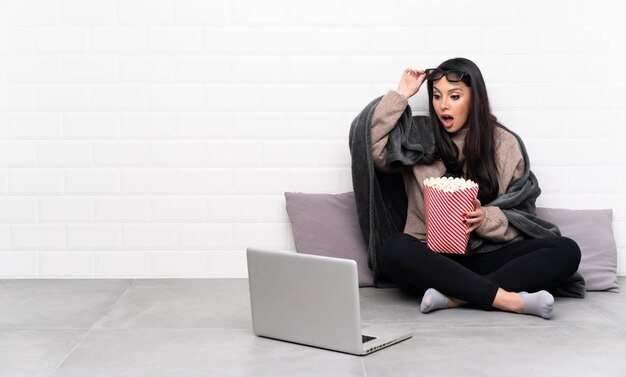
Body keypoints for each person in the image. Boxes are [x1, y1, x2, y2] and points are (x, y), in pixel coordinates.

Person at [369, 57, 581, 319]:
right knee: (394, 249)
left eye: (454, 96)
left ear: (474, 98)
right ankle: (508, 299)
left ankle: (454, 297)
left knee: (566, 250)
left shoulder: (504, 144)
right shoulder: (418, 137)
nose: (443, 105)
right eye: (436, 96)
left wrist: (485, 219)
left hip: (488, 255)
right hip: (434, 259)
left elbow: (523, 214)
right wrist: (401, 95)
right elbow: (374, 151)